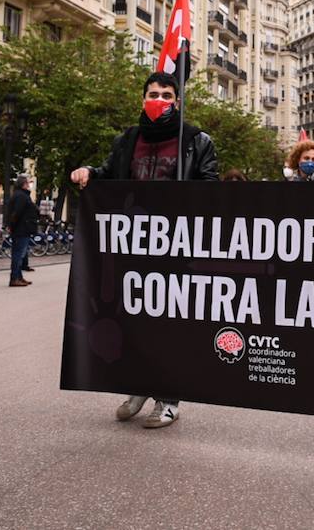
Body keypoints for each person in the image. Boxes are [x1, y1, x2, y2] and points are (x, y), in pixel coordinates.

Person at [71, 70, 220, 428]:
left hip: (175, 250)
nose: (159, 101)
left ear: (178, 102)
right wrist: (88, 171)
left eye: (166, 96)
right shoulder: (128, 140)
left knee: (168, 326)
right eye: (153, 94)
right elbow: (108, 174)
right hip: (131, 250)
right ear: (143, 100)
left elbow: (212, 187)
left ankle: (168, 399)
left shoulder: (197, 140)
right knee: (132, 321)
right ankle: (138, 384)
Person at [5, 175, 39, 288]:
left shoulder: (20, 195)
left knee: (20, 254)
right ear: (24, 184)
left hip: (22, 228)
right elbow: (16, 213)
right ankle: (15, 278)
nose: (29, 184)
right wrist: (12, 226)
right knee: (18, 255)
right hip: (21, 229)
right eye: (28, 183)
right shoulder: (21, 196)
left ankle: (18, 277)